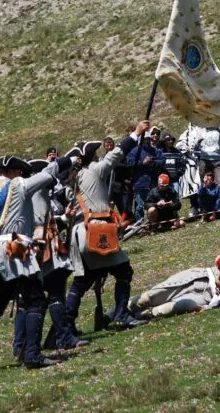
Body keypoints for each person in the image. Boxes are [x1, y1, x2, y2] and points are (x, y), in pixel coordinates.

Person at [0, 154, 73, 372]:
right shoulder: (17, 185)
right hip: (14, 249)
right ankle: (32, 355)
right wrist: (70, 159)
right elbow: (47, 174)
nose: (22, 176)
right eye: (20, 172)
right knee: (35, 300)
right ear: (13, 172)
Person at [64, 121, 150, 343]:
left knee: (81, 282)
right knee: (124, 272)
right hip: (95, 231)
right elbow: (117, 155)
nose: (99, 156)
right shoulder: (93, 170)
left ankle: (67, 325)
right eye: (95, 153)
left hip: (79, 234)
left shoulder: (71, 181)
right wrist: (136, 133)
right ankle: (121, 315)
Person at [29, 160, 89, 352]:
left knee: (49, 296)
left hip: (44, 246)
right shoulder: (36, 191)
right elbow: (40, 225)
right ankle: (61, 338)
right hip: (41, 249)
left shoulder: (39, 194)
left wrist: (63, 218)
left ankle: (36, 343)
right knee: (47, 296)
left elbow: (48, 222)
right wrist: (71, 159)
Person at [127, 135, 164, 221]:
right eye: (144, 139)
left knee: (155, 204)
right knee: (139, 205)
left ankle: (154, 222)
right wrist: (142, 163)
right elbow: (129, 164)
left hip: (153, 183)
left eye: (148, 139)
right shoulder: (134, 151)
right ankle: (139, 224)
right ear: (140, 140)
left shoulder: (155, 150)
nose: (146, 141)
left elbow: (162, 161)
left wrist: (153, 162)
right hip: (140, 183)